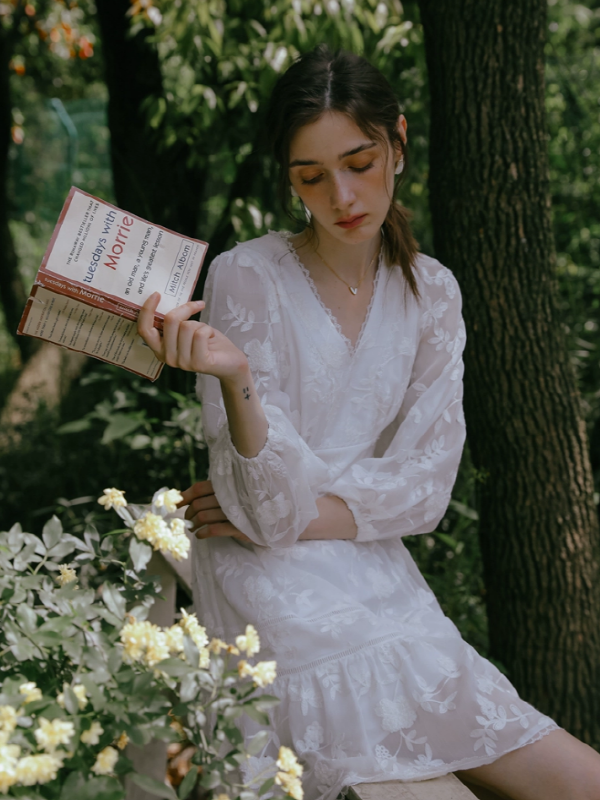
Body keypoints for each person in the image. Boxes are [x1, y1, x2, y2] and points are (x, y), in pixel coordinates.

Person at [138, 45, 600, 800]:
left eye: (359, 161)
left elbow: (425, 490)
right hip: (268, 587)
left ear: (399, 143)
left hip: (378, 576)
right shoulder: (246, 276)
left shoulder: (433, 293)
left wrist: (293, 508)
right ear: (289, 180)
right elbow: (261, 513)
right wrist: (237, 376)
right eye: (311, 177)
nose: (342, 195)